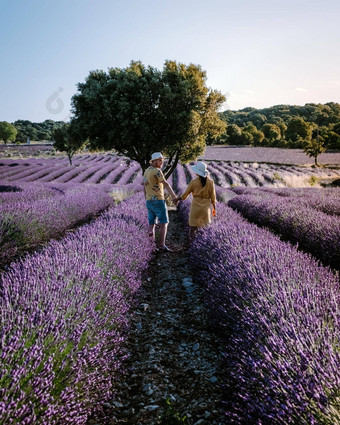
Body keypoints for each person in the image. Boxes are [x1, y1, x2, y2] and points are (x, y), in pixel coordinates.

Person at [143, 152, 177, 252]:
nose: (161, 162)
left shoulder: (147, 171)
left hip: (149, 201)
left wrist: (146, 199)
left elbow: (144, 187)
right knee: (164, 222)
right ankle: (161, 245)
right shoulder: (157, 171)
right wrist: (174, 196)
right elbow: (165, 184)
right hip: (158, 200)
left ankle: (151, 245)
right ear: (153, 161)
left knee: (151, 223)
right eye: (159, 160)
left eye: (162, 160)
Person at [175, 161, 216, 241]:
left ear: (197, 173)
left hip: (196, 206)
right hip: (206, 207)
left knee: (193, 228)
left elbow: (184, 195)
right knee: (204, 228)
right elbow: (213, 197)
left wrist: (177, 199)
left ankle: (192, 243)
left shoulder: (194, 182)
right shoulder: (211, 182)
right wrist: (214, 208)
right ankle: (203, 244)